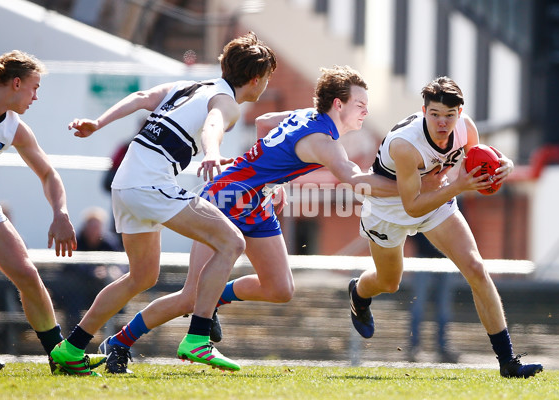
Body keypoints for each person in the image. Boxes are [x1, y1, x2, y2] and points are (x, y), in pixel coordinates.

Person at [98, 65, 421, 374]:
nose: (366, 111)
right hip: (226, 197)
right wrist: (412, 191)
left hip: (255, 203)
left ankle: (214, 300)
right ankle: (118, 342)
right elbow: (355, 181)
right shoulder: (324, 141)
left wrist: (271, 180)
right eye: (360, 104)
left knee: (279, 288)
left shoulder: (308, 117)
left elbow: (266, 121)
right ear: (339, 104)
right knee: (191, 296)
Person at [50, 32, 278, 375]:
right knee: (232, 242)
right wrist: (213, 152)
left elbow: (143, 97)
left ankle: (70, 348)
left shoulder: (191, 87)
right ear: (256, 79)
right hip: (150, 186)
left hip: (124, 186)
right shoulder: (226, 102)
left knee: (141, 277)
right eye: (268, 79)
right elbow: (213, 126)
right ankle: (198, 337)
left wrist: (98, 123)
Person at [349, 76, 543, 378]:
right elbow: (412, 205)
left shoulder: (466, 126)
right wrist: (458, 186)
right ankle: (359, 294)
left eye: (449, 116)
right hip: (389, 207)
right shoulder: (405, 145)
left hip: (436, 198)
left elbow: (480, 162)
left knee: (476, 268)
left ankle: (508, 362)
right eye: (435, 114)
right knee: (389, 282)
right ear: (424, 110)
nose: (442, 123)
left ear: (460, 112)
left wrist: (505, 164)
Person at [0, 50, 82, 373]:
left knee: (26, 274)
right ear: (15, 83)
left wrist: (60, 213)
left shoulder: (14, 128)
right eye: (34, 87)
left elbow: (49, 174)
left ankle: (60, 357)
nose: (36, 97)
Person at [52, 206, 124, 331]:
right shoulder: (75, 240)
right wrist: (93, 272)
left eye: (97, 227)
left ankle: (117, 338)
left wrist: (114, 271)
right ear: (85, 226)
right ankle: (72, 337)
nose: (94, 230)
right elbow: (71, 264)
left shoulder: (108, 242)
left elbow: (120, 263)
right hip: (75, 291)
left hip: (98, 288)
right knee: (74, 302)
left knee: (118, 297)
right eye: (91, 226)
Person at [407, 233, 459, 363]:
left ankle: (443, 347)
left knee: (444, 307)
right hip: (422, 258)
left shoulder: (455, 210)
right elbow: (410, 227)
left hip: (446, 259)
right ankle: (413, 347)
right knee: (417, 304)